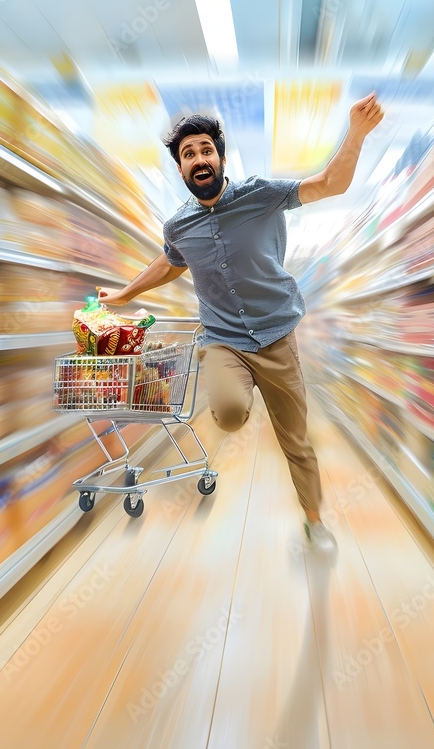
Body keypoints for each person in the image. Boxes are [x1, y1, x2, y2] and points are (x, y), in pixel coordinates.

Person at [98, 93, 385, 552]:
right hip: (222, 340)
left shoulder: (262, 196)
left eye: (205, 150)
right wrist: (126, 294)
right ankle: (236, 392)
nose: (198, 159)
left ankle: (314, 523)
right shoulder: (177, 227)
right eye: (188, 154)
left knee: (296, 440)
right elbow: (171, 263)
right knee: (229, 414)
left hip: (276, 336)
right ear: (181, 169)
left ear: (221, 157)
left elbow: (331, 183)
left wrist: (356, 131)